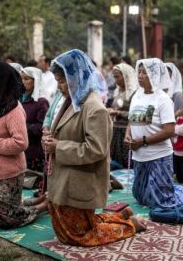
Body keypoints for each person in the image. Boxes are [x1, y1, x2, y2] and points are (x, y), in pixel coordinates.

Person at [42, 49, 143, 246]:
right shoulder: (72, 102)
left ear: (77, 77)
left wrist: (59, 147)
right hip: (65, 177)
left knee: (79, 236)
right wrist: (51, 141)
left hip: (80, 180)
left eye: (62, 81)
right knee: (65, 233)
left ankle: (128, 225)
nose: (59, 86)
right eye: (57, 81)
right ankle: (121, 216)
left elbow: (96, 150)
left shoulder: (94, 108)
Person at [0, 61, 46, 228]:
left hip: (6, 171)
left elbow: (21, 143)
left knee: (8, 219)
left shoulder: (13, 108)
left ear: (2, 79)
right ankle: (37, 200)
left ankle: (43, 206)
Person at [126, 58, 183, 214]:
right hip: (140, 155)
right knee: (141, 197)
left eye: (145, 72)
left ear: (154, 75)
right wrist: (127, 135)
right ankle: (178, 187)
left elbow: (170, 131)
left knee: (160, 201)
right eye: (139, 71)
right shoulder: (136, 96)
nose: (140, 75)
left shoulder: (162, 99)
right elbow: (131, 120)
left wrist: (143, 141)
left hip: (158, 156)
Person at [107, 63, 137, 168]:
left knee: (126, 162)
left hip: (126, 131)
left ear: (126, 76)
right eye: (114, 77)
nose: (115, 80)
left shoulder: (133, 93)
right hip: (116, 131)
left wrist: (118, 113)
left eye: (117, 77)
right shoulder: (118, 91)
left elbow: (135, 115)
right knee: (115, 161)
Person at [20, 67, 49, 172]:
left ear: (35, 81)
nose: (23, 82)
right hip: (21, 150)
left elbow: (42, 126)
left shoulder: (41, 102)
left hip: (34, 152)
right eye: (21, 79)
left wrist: (22, 126)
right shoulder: (19, 99)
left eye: (26, 79)